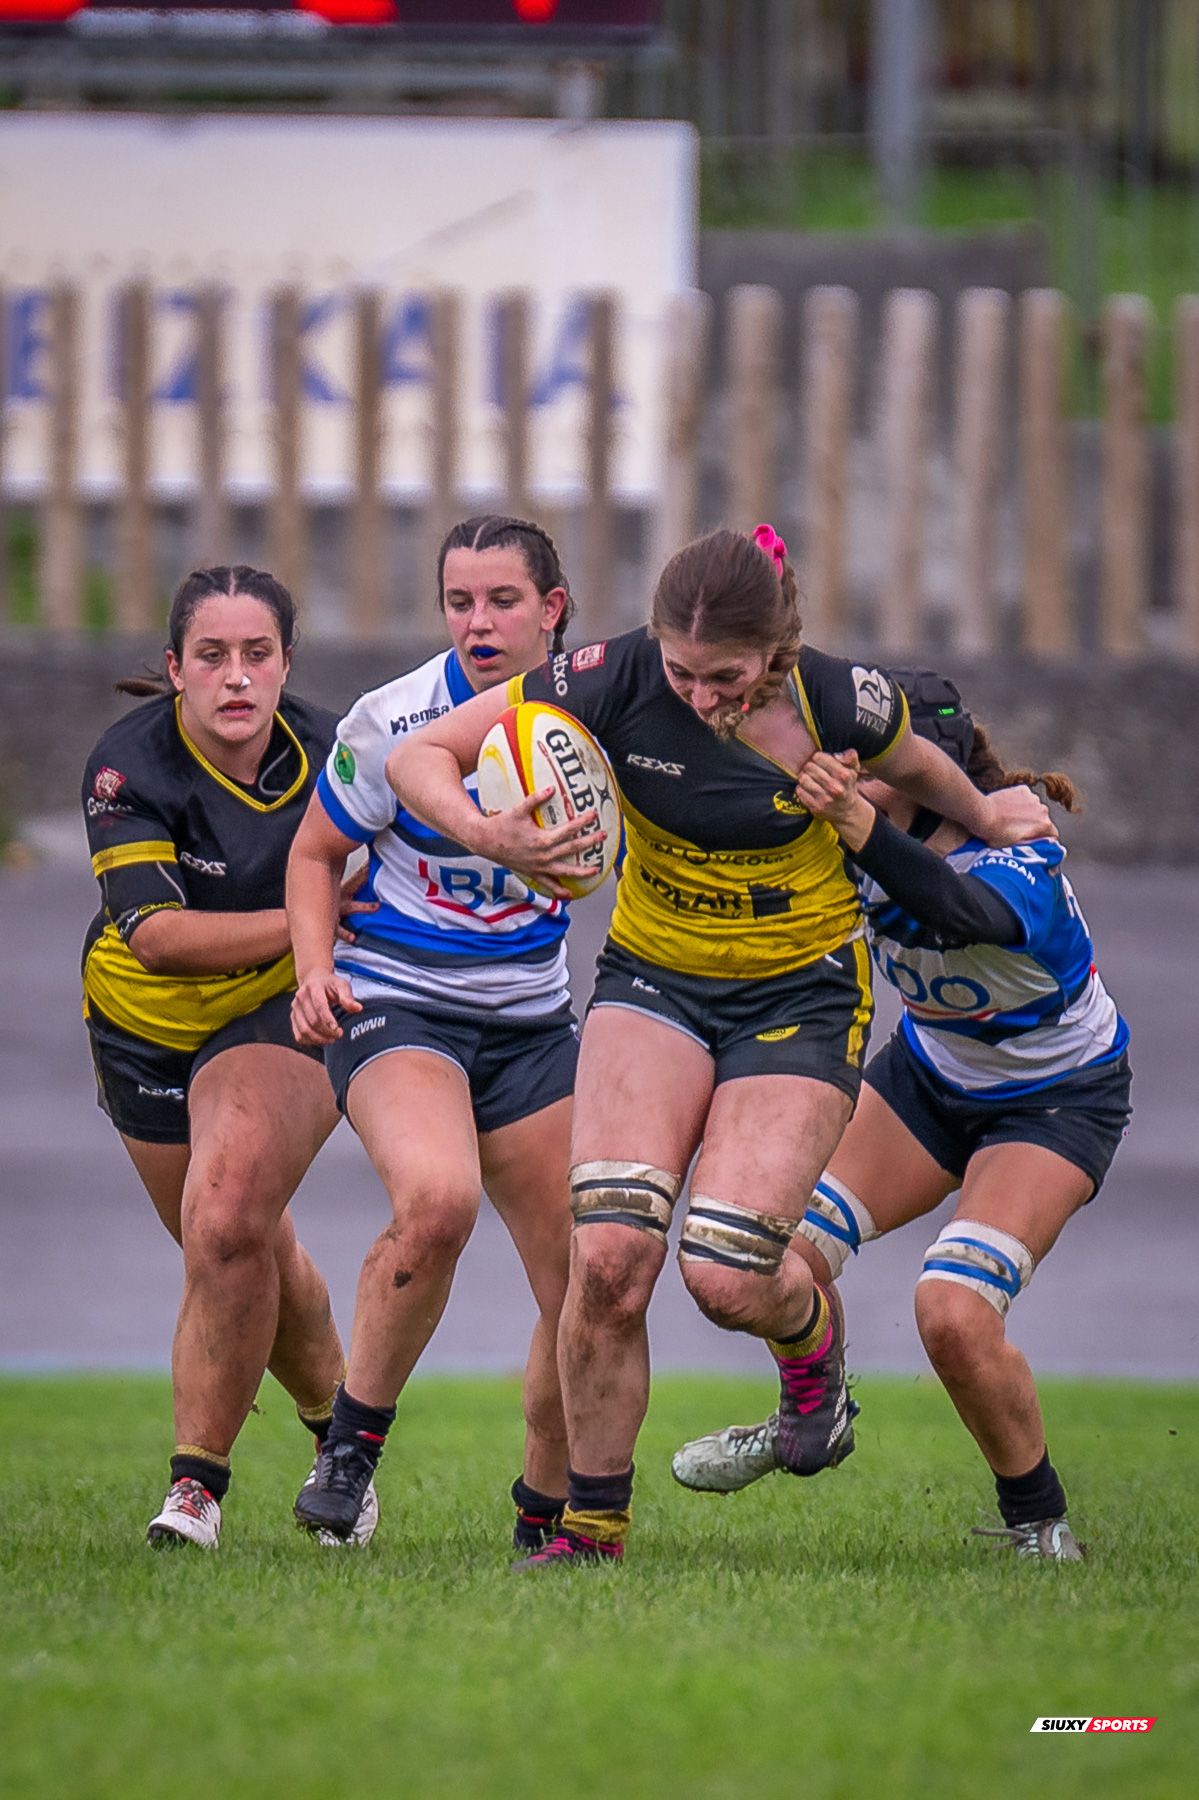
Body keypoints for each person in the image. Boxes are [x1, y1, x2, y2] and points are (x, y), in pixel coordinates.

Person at [386, 526, 1053, 1568]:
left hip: (799, 997)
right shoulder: (607, 677)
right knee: (606, 1261)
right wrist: (489, 834)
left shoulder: (838, 698)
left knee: (726, 1275)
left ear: (777, 650)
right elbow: (415, 753)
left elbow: (923, 762)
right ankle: (590, 1534)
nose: (700, 696)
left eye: (727, 677)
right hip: (651, 982)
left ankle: (811, 1363)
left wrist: (985, 813)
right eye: (683, 673)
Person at [671, 670, 1131, 1563]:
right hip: (924, 1080)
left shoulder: (1019, 852)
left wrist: (857, 826)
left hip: (1054, 1102)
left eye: (869, 750)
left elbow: (953, 906)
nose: (840, 760)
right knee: (764, 1265)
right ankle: (815, 1407)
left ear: (930, 765)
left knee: (951, 1313)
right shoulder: (844, 840)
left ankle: (1039, 1526)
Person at [287, 515, 582, 1550]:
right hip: (397, 999)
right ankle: (350, 1447)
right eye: (460, 601)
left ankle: (544, 1514)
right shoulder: (392, 717)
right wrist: (314, 968)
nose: (478, 622)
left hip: (534, 1018)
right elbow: (317, 853)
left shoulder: (594, 712)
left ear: (551, 609)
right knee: (439, 1201)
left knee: (586, 1273)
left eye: (502, 600)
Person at [82, 565, 374, 1550]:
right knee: (245, 1249)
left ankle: (194, 1491)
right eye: (212, 656)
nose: (236, 677)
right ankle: (342, 1446)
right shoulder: (129, 766)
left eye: (258, 655)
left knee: (226, 1215)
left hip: (278, 1014)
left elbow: (408, 861)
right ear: (175, 670)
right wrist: (312, 918)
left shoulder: (338, 752)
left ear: (286, 664)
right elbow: (156, 936)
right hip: (139, 1022)